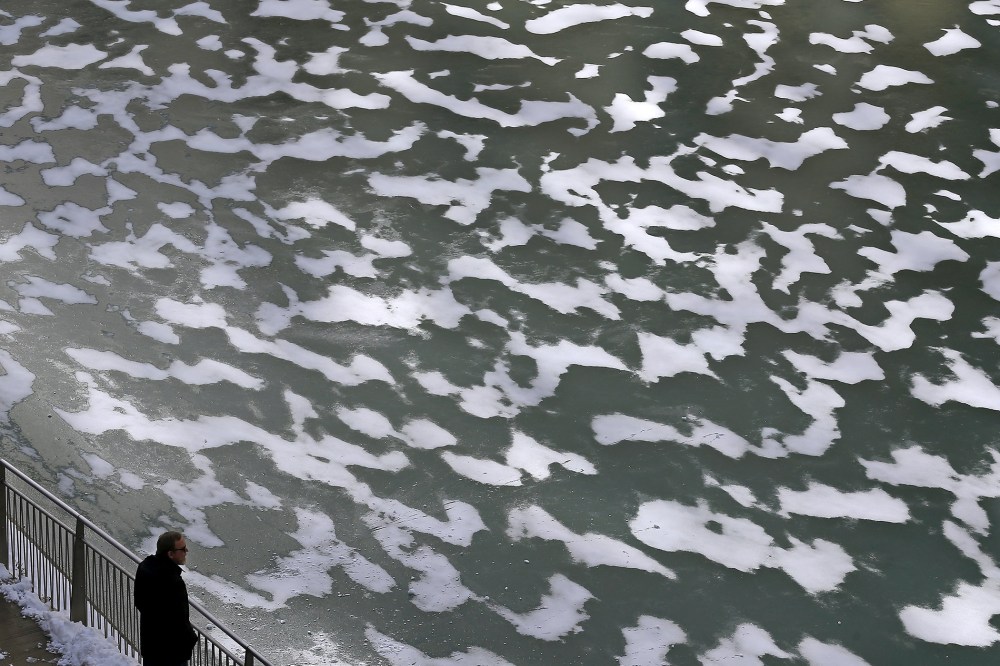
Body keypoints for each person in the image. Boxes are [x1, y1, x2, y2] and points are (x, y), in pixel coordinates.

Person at [134, 531, 199, 666]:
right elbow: (180, 619)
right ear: (170, 554)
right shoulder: (173, 582)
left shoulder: (145, 567)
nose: (186, 551)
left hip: (151, 645)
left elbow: (139, 602)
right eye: (182, 549)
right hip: (172, 654)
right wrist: (191, 638)